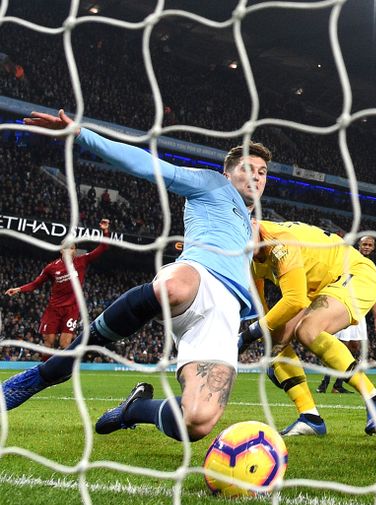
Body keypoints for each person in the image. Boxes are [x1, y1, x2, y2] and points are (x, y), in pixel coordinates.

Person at [2, 108, 270, 445]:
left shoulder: (252, 225)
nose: (257, 176)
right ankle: (47, 373)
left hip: (225, 313)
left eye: (262, 172)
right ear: (228, 173)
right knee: (174, 286)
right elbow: (149, 166)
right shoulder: (212, 185)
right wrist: (82, 135)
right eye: (248, 168)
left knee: (197, 422)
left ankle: (134, 410)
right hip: (196, 277)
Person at [238, 220, 376, 436]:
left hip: (354, 274)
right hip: (321, 287)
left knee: (307, 330)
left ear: (253, 224)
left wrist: (246, 337)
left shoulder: (281, 242)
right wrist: (271, 352)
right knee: (274, 345)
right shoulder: (253, 259)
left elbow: (295, 301)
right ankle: (310, 417)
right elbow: (265, 311)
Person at [5, 218, 110, 350]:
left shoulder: (82, 261)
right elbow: (36, 284)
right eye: (67, 249)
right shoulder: (51, 268)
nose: (70, 251)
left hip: (72, 309)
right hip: (54, 309)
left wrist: (105, 231)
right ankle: (45, 369)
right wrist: (19, 289)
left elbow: (103, 247)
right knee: (49, 343)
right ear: (61, 250)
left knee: (64, 344)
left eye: (73, 249)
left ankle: (65, 369)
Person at [318, 235, 376, 394]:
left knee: (354, 346)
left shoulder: (371, 266)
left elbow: (372, 293)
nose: (367, 247)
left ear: (373, 248)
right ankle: (325, 382)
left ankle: (337, 384)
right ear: (359, 245)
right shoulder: (350, 258)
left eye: (370, 245)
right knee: (340, 345)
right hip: (344, 305)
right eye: (364, 244)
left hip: (360, 309)